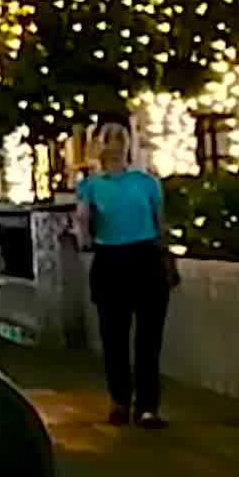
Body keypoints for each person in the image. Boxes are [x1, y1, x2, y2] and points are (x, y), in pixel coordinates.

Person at [75, 114, 174, 427]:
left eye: (120, 137)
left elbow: (160, 223)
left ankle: (147, 406)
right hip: (110, 260)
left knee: (149, 339)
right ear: (98, 143)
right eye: (109, 137)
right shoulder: (90, 185)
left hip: (145, 258)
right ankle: (119, 399)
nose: (115, 143)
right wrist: (83, 231)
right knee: (114, 338)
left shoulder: (146, 182)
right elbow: (84, 223)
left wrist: (167, 257)